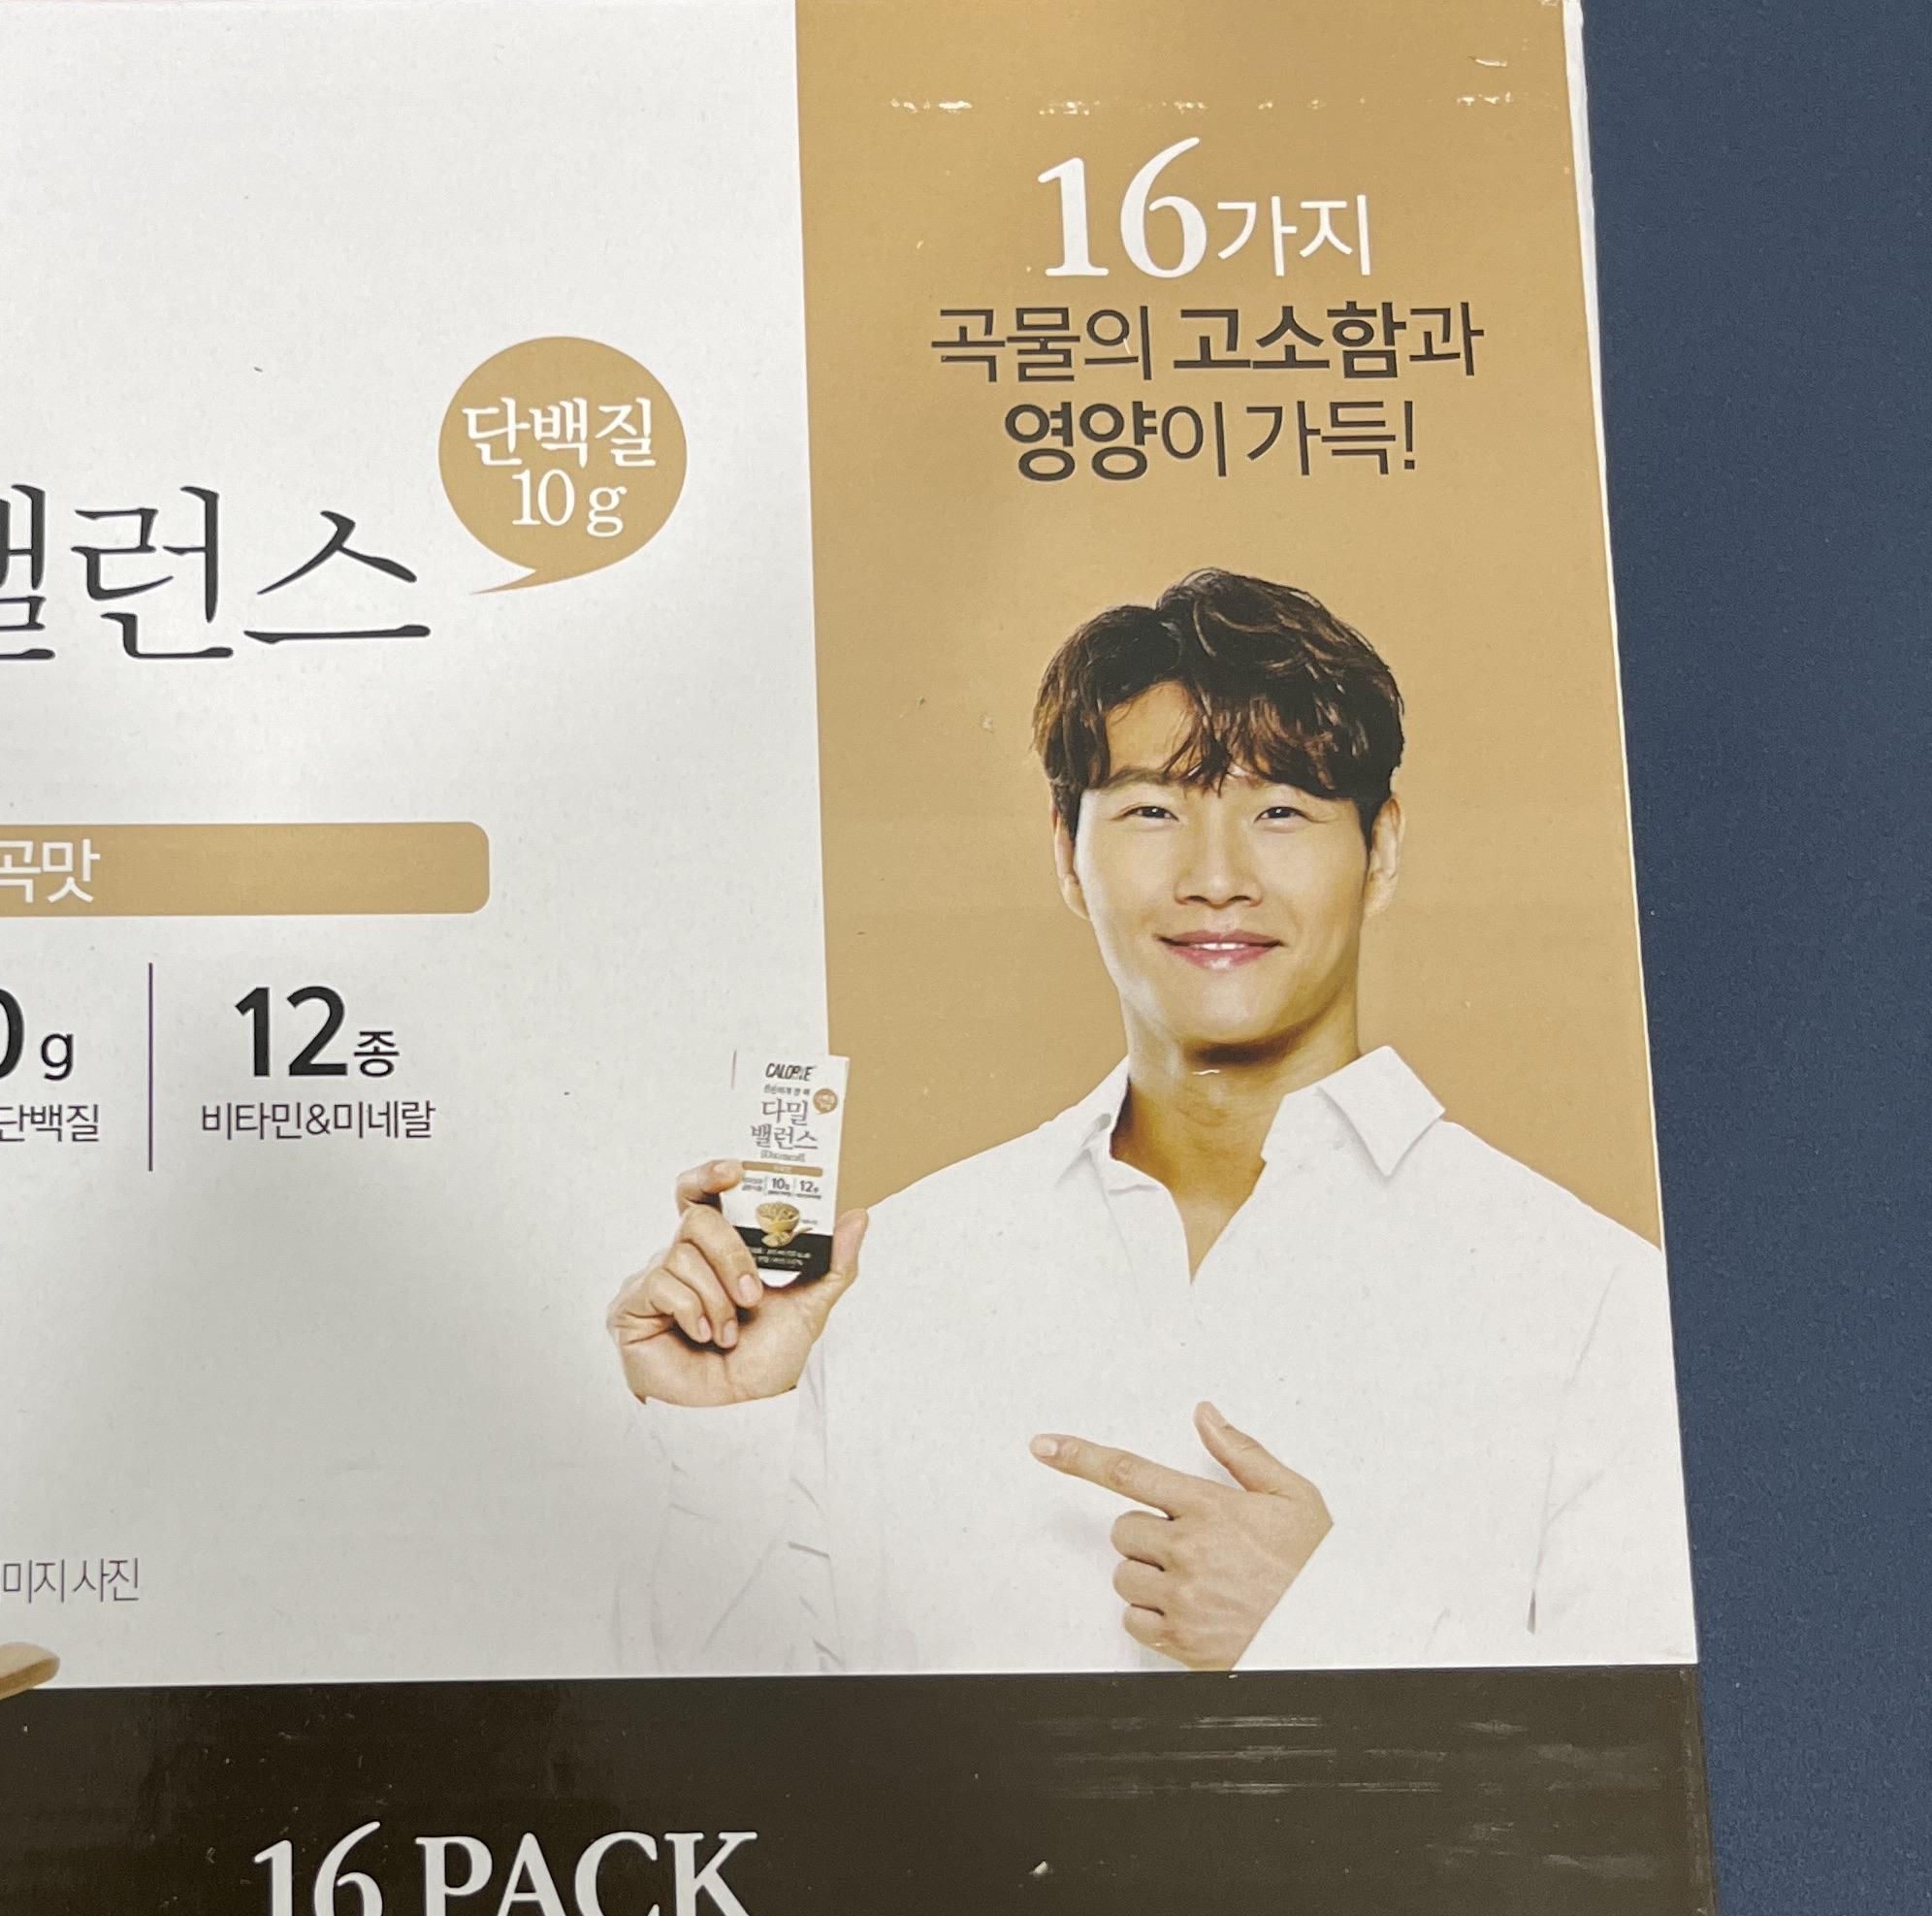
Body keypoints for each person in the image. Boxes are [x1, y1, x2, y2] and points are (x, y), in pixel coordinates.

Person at [607, 567, 1696, 1674]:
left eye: (1281, 810)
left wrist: (1313, 1627)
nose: (1216, 878)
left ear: (1382, 849)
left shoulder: (1590, 1296)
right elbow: (738, 1757)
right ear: (1067, 855)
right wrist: (722, 1433)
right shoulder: (893, 1277)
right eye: (1151, 811)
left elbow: (1652, 1763)